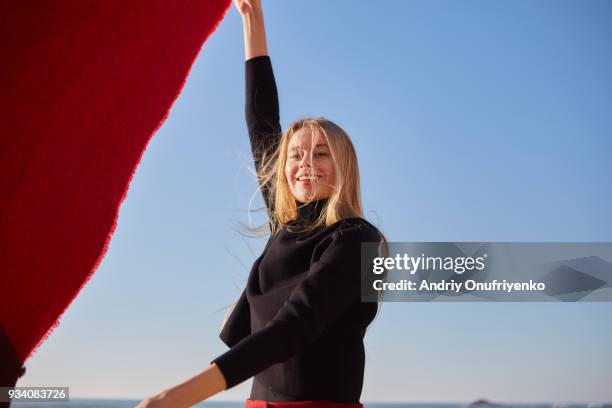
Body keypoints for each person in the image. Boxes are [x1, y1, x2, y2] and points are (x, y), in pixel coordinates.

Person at [135, 1, 384, 407]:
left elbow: (293, 327)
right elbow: (261, 119)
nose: (306, 165)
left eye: (321, 153)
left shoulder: (356, 240)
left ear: (344, 165)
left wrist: (176, 397)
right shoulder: (286, 224)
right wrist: (253, 19)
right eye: (295, 155)